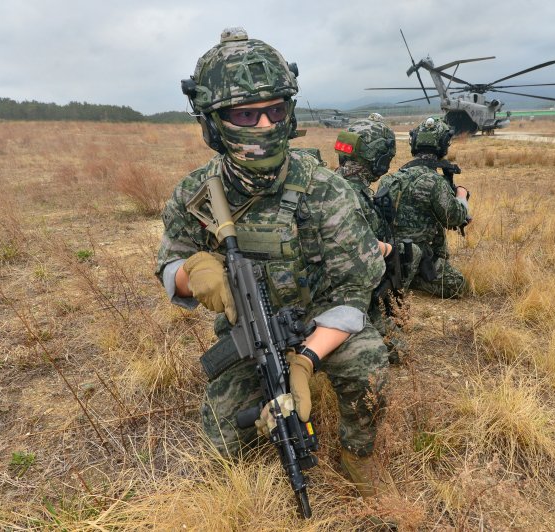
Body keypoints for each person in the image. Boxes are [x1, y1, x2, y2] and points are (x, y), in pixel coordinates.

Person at [155, 27, 390, 499]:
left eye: (275, 111)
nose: (263, 126)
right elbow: (169, 267)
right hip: (249, 335)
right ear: (213, 122)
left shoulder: (327, 190)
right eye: (246, 113)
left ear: (290, 111)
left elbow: (352, 294)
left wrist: (304, 361)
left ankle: (358, 458)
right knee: (221, 445)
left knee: (369, 364)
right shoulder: (194, 193)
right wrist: (191, 273)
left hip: (323, 326)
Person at [333, 114, 420, 362]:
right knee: (402, 352)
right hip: (347, 296)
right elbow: (360, 263)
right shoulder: (354, 197)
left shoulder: (332, 185)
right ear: (379, 160)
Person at [378, 116, 471, 299]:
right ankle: (414, 278)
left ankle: (403, 274)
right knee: (458, 286)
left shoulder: (390, 179)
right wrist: (461, 195)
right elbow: (454, 217)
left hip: (387, 252)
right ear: (443, 145)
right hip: (417, 254)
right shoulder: (434, 182)